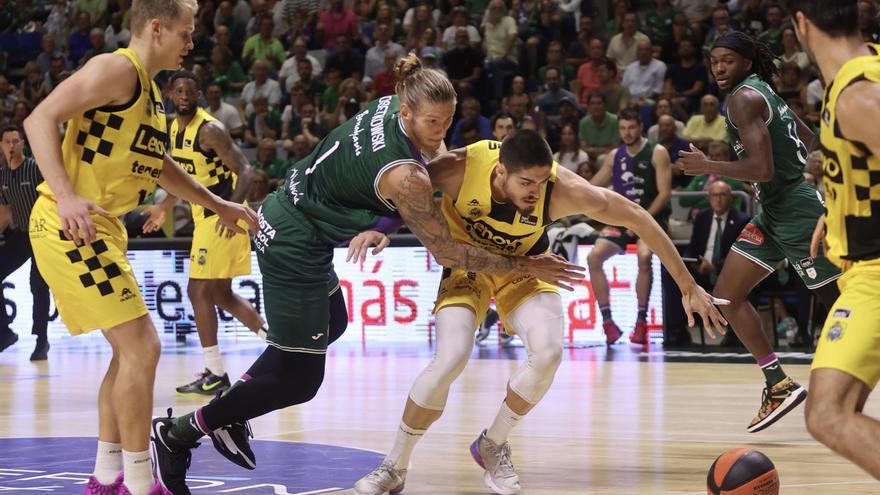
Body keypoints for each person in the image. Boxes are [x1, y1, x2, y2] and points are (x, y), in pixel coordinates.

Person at [150, 54, 582, 494]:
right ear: (409, 110)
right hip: (292, 241)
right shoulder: (407, 175)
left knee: (334, 321)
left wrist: (382, 223)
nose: (442, 132)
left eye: (449, 120)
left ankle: (231, 409)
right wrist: (526, 264)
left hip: (300, 221)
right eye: (434, 121)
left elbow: (404, 175)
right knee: (300, 378)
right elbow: (446, 249)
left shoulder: (388, 106)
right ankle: (179, 434)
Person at [353, 130, 726, 495]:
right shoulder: (460, 168)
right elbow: (407, 186)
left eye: (542, 181)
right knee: (450, 358)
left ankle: (493, 443)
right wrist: (382, 227)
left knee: (549, 353)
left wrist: (688, 285)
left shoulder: (563, 190)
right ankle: (395, 467)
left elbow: (638, 217)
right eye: (526, 182)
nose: (535, 191)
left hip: (529, 268)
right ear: (500, 171)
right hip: (469, 266)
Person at [22, 1, 258, 494]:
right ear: (157, 28)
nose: (192, 43)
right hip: (70, 226)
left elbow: (161, 167)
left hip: (102, 231)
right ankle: (137, 482)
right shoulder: (117, 69)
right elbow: (39, 119)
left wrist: (219, 205)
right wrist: (65, 195)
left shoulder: (150, 93)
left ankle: (108, 477)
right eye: (186, 33)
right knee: (143, 347)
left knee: (127, 355)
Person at [679, 31, 842, 433]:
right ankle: (778, 383)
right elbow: (806, 136)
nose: (718, 67)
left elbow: (763, 169)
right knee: (727, 296)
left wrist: (709, 167)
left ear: (746, 64)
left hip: (797, 211)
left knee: (842, 302)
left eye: (728, 61)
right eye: (714, 60)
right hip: (773, 210)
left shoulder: (742, 99)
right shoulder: (761, 90)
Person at [785, 0, 880, 479]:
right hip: (860, 265)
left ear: (801, 24)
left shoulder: (856, 94)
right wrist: (838, 211)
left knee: (827, 413)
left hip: (876, 276)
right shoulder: (860, 73)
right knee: (837, 410)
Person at [143, 71, 266, 396]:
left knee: (198, 291)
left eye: (190, 91)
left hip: (221, 216)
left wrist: (231, 210)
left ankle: (215, 372)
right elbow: (185, 180)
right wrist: (165, 207)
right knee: (220, 295)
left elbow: (247, 171)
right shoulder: (170, 127)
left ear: (198, 95)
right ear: (170, 94)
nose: (184, 95)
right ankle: (279, 344)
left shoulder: (210, 129)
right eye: (179, 90)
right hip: (205, 216)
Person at [589, 109, 672, 345]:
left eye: (631, 127)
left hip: (651, 219)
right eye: (623, 128)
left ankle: (641, 322)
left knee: (644, 257)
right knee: (594, 257)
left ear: (641, 127)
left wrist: (641, 220)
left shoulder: (658, 152)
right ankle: (608, 324)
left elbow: (664, 194)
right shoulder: (615, 156)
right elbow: (590, 185)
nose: (627, 132)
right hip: (623, 220)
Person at [0, 126, 50, 361]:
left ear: (22, 144)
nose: (11, 145)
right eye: (7, 141)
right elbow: (5, 211)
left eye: (15, 141)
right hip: (20, 236)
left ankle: (42, 341)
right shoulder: (2, 175)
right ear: (1, 145)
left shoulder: (35, 168)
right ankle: (5, 333)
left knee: (38, 286)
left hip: (43, 235)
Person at [686, 180, 751, 289]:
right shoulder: (702, 217)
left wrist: (714, 267)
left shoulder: (742, 220)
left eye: (722, 195)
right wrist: (693, 263)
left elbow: (740, 254)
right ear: (709, 198)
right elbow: (693, 246)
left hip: (728, 272)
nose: (718, 200)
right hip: (700, 269)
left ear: (730, 198)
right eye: (715, 195)